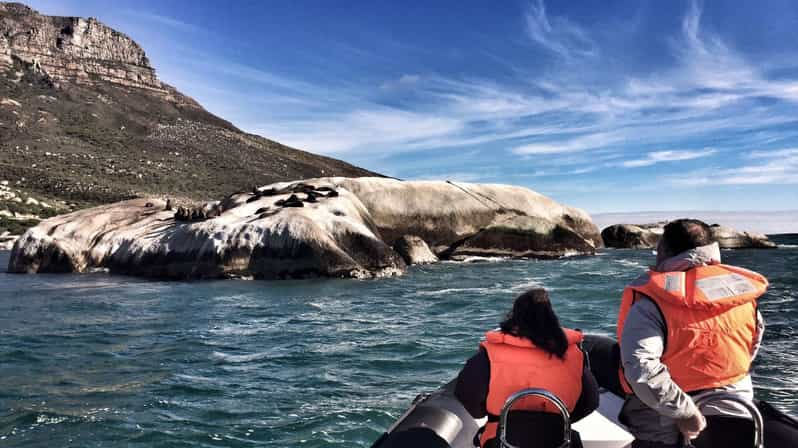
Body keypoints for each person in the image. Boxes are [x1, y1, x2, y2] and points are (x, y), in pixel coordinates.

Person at [616, 219, 768, 447]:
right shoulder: (742, 295)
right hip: (736, 405)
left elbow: (641, 367)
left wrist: (685, 412)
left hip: (665, 417)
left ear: (666, 250)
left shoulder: (652, 301)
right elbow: (752, 345)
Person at [455, 288, 599, 448]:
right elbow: (590, 401)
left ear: (515, 316)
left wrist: (488, 416)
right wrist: (558, 419)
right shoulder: (574, 354)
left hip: (501, 438)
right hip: (557, 439)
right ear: (551, 316)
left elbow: (467, 394)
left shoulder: (490, 354)